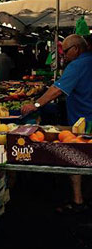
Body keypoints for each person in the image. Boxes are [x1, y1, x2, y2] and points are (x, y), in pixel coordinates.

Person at [22, 35, 92, 213]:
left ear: (76, 49)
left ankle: (78, 201)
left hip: (83, 121)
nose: (64, 55)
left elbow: (57, 89)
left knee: (75, 157)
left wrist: (35, 104)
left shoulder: (77, 65)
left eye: (66, 51)